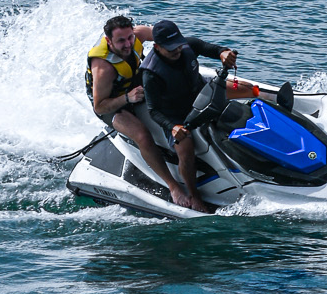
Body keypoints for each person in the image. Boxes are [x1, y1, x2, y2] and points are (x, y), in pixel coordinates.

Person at [142, 19, 260, 214]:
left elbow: (212, 49)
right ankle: (194, 195)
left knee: (250, 92)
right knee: (186, 148)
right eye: (171, 48)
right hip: (177, 115)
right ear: (157, 47)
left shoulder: (188, 45)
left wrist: (223, 52)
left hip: (202, 95)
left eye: (178, 45)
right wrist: (172, 127)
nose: (177, 50)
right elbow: (153, 110)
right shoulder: (150, 74)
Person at [86, 15, 195, 211]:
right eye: (121, 41)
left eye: (129, 38)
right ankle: (173, 186)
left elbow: (169, 40)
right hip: (112, 102)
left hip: (134, 84)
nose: (128, 44)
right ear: (109, 41)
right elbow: (99, 106)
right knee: (143, 136)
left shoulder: (140, 34)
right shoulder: (103, 68)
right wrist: (127, 98)